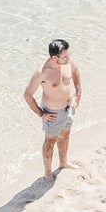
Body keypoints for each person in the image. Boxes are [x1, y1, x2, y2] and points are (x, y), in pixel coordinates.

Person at [25, 37, 83, 175]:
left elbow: (75, 72)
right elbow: (27, 95)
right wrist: (41, 113)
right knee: (50, 141)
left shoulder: (68, 62)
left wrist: (77, 95)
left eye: (69, 55)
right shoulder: (42, 72)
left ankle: (63, 163)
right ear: (55, 57)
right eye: (65, 57)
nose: (69, 59)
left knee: (65, 135)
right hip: (52, 113)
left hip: (68, 108)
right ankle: (48, 172)